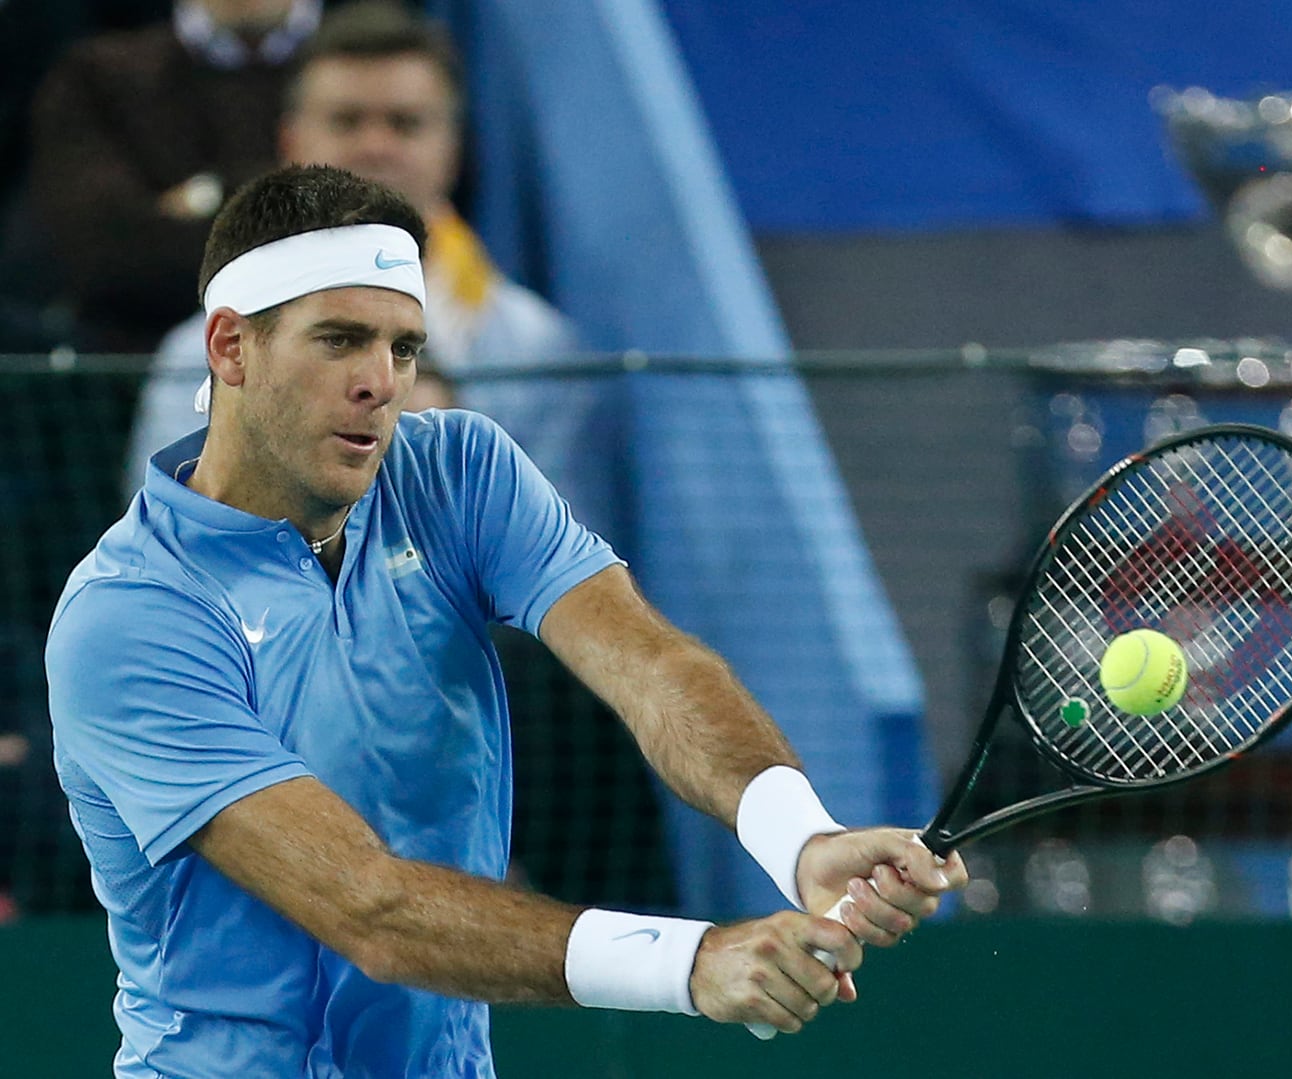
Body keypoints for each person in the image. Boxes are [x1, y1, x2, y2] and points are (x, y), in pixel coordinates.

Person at [45, 164, 965, 1077]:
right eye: (339, 340)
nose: (381, 382)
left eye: (403, 348)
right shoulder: (129, 617)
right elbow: (369, 907)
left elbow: (646, 664)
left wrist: (798, 833)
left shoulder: (458, 471)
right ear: (231, 347)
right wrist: (693, 963)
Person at [125, 2, 603, 528]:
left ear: (454, 148)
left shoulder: (539, 351)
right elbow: (172, 543)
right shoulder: (200, 354)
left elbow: (557, 565)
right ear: (291, 142)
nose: (376, 147)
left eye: (405, 124)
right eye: (347, 121)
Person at [26, 0, 321, 351]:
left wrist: (208, 195)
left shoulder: (379, 63)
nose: (373, 139)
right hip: (130, 363)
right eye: (347, 122)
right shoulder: (97, 75)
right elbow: (105, 257)